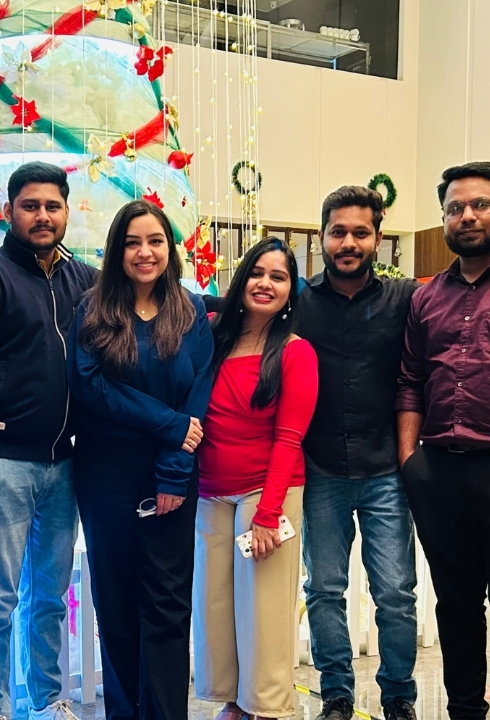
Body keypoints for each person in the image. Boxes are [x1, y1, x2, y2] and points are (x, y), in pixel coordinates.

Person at [293, 185, 490, 720]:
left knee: (397, 593)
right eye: (338, 232)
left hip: (388, 469)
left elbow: (468, 287)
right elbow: (239, 308)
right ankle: (336, 695)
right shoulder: (297, 301)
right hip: (321, 469)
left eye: (361, 232)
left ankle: (399, 697)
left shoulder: (407, 296)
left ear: (378, 239)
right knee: (324, 590)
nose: (348, 242)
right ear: (321, 237)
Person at [397, 161, 490, 720]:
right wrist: (410, 460)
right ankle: (464, 709)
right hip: (440, 469)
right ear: (443, 219)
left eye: (480, 204)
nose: (467, 216)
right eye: (455, 208)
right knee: (455, 603)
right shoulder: (426, 297)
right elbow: (411, 380)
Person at [0, 161, 97, 720]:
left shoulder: (84, 280)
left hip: (64, 464)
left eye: (52, 206)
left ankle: (47, 699)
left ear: (66, 211)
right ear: (9, 211)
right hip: (2, 464)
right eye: (30, 206)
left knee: (51, 597)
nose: (42, 216)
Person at [66, 200, 212, 719]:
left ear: (170, 247)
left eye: (155, 241)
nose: (144, 252)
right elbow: (89, 387)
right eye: (132, 242)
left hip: (172, 473)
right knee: (116, 602)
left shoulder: (191, 312)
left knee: (168, 606)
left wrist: (173, 471)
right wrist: (168, 423)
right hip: (105, 474)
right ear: (117, 250)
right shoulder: (93, 309)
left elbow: (197, 399)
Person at [193, 237, 319, 720]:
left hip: (266, 493)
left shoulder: (295, 352)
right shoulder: (212, 338)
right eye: (257, 273)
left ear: (290, 291)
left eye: (278, 277)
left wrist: (268, 514)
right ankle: (233, 700)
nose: (265, 283)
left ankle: (266, 708)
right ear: (242, 279)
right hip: (210, 493)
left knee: (263, 612)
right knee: (216, 607)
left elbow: (289, 439)